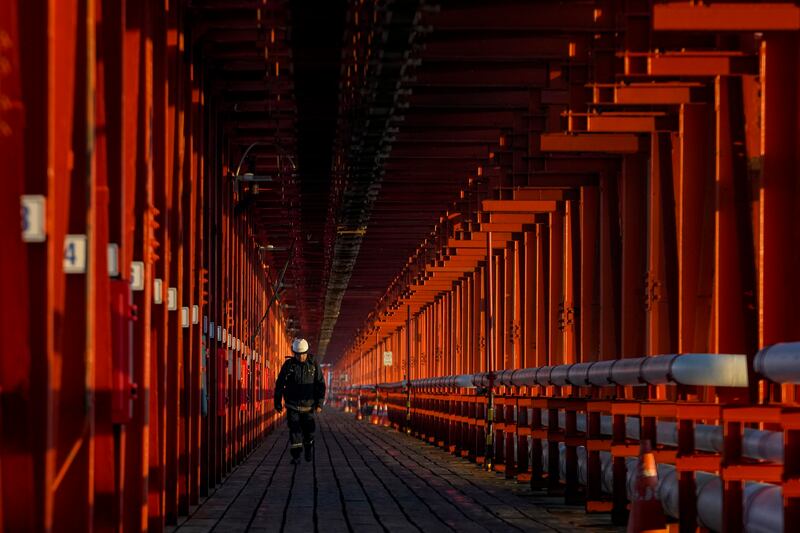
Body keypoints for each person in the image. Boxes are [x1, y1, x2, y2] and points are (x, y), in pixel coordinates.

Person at [274, 337, 326, 464]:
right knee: (294, 432)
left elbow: (320, 384)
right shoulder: (288, 366)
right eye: (298, 355)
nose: (300, 357)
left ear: (307, 353)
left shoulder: (313, 365)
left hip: (308, 407)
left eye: (303, 355)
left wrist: (319, 403)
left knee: (309, 433)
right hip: (292, 406)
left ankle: (308, 449)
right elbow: (280, 384)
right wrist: (277, 402)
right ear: (294, 353)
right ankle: (296, 456)